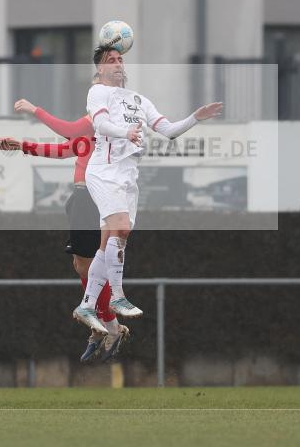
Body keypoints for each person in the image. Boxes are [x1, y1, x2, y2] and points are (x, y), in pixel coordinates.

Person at [72, 41, 223, 334]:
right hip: (104, 171)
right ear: (100, 68)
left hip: (128, 176)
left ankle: (87, 304)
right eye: (111, 60)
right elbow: (101, 125)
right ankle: (117, 297)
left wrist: (196, 117)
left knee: (110, 242)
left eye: (120, 59)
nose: (118, 63)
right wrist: (125, 132)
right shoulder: (98, 92)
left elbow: (167, 130)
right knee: (121, 228)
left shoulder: (139, 100)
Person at [0, 99, 129, 363]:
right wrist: (22, 146)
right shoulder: (95, 131)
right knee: (82, 265)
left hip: (92, 196)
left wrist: (35, 110)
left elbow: (67, 129)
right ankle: (104, 324)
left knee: (88, 265)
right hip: (83, 198)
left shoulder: (104, 120)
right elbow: (64, 150)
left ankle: (110, 327)